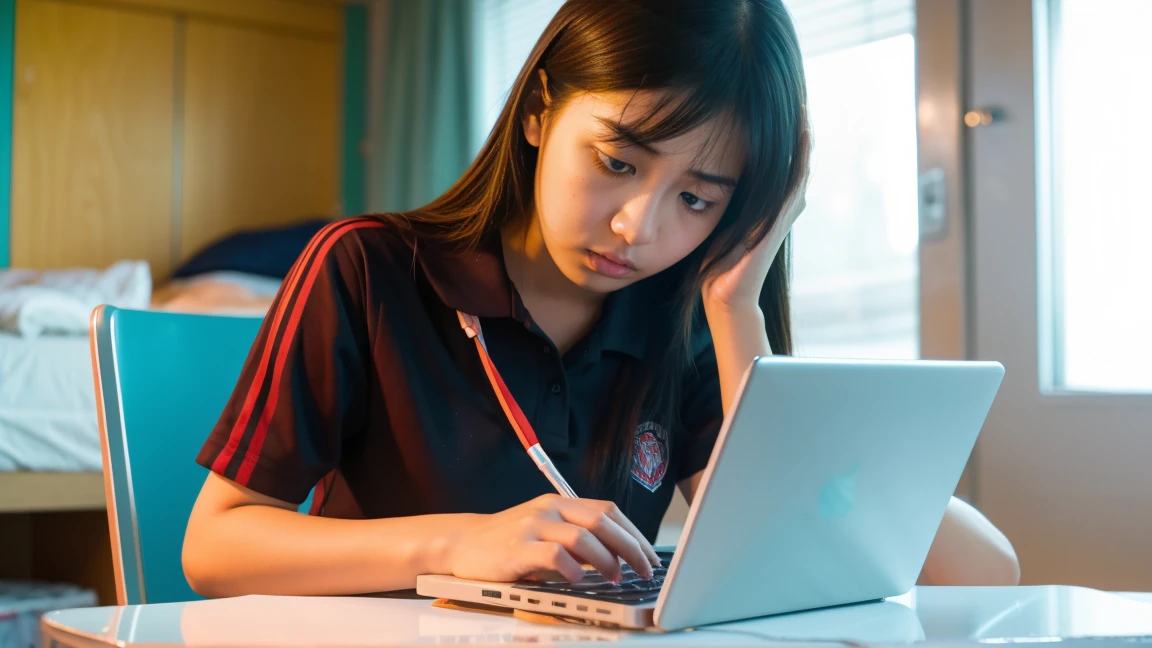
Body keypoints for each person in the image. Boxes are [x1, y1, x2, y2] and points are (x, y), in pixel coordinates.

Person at [183, 0, 1019, 598]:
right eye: (618, 162)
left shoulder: (683, 320)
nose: (636, 226)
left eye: (698, 198)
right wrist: (458, 542)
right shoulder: (367, 271)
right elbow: (214, 545)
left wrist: (736, 312)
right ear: (541, 111)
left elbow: (980, 571)